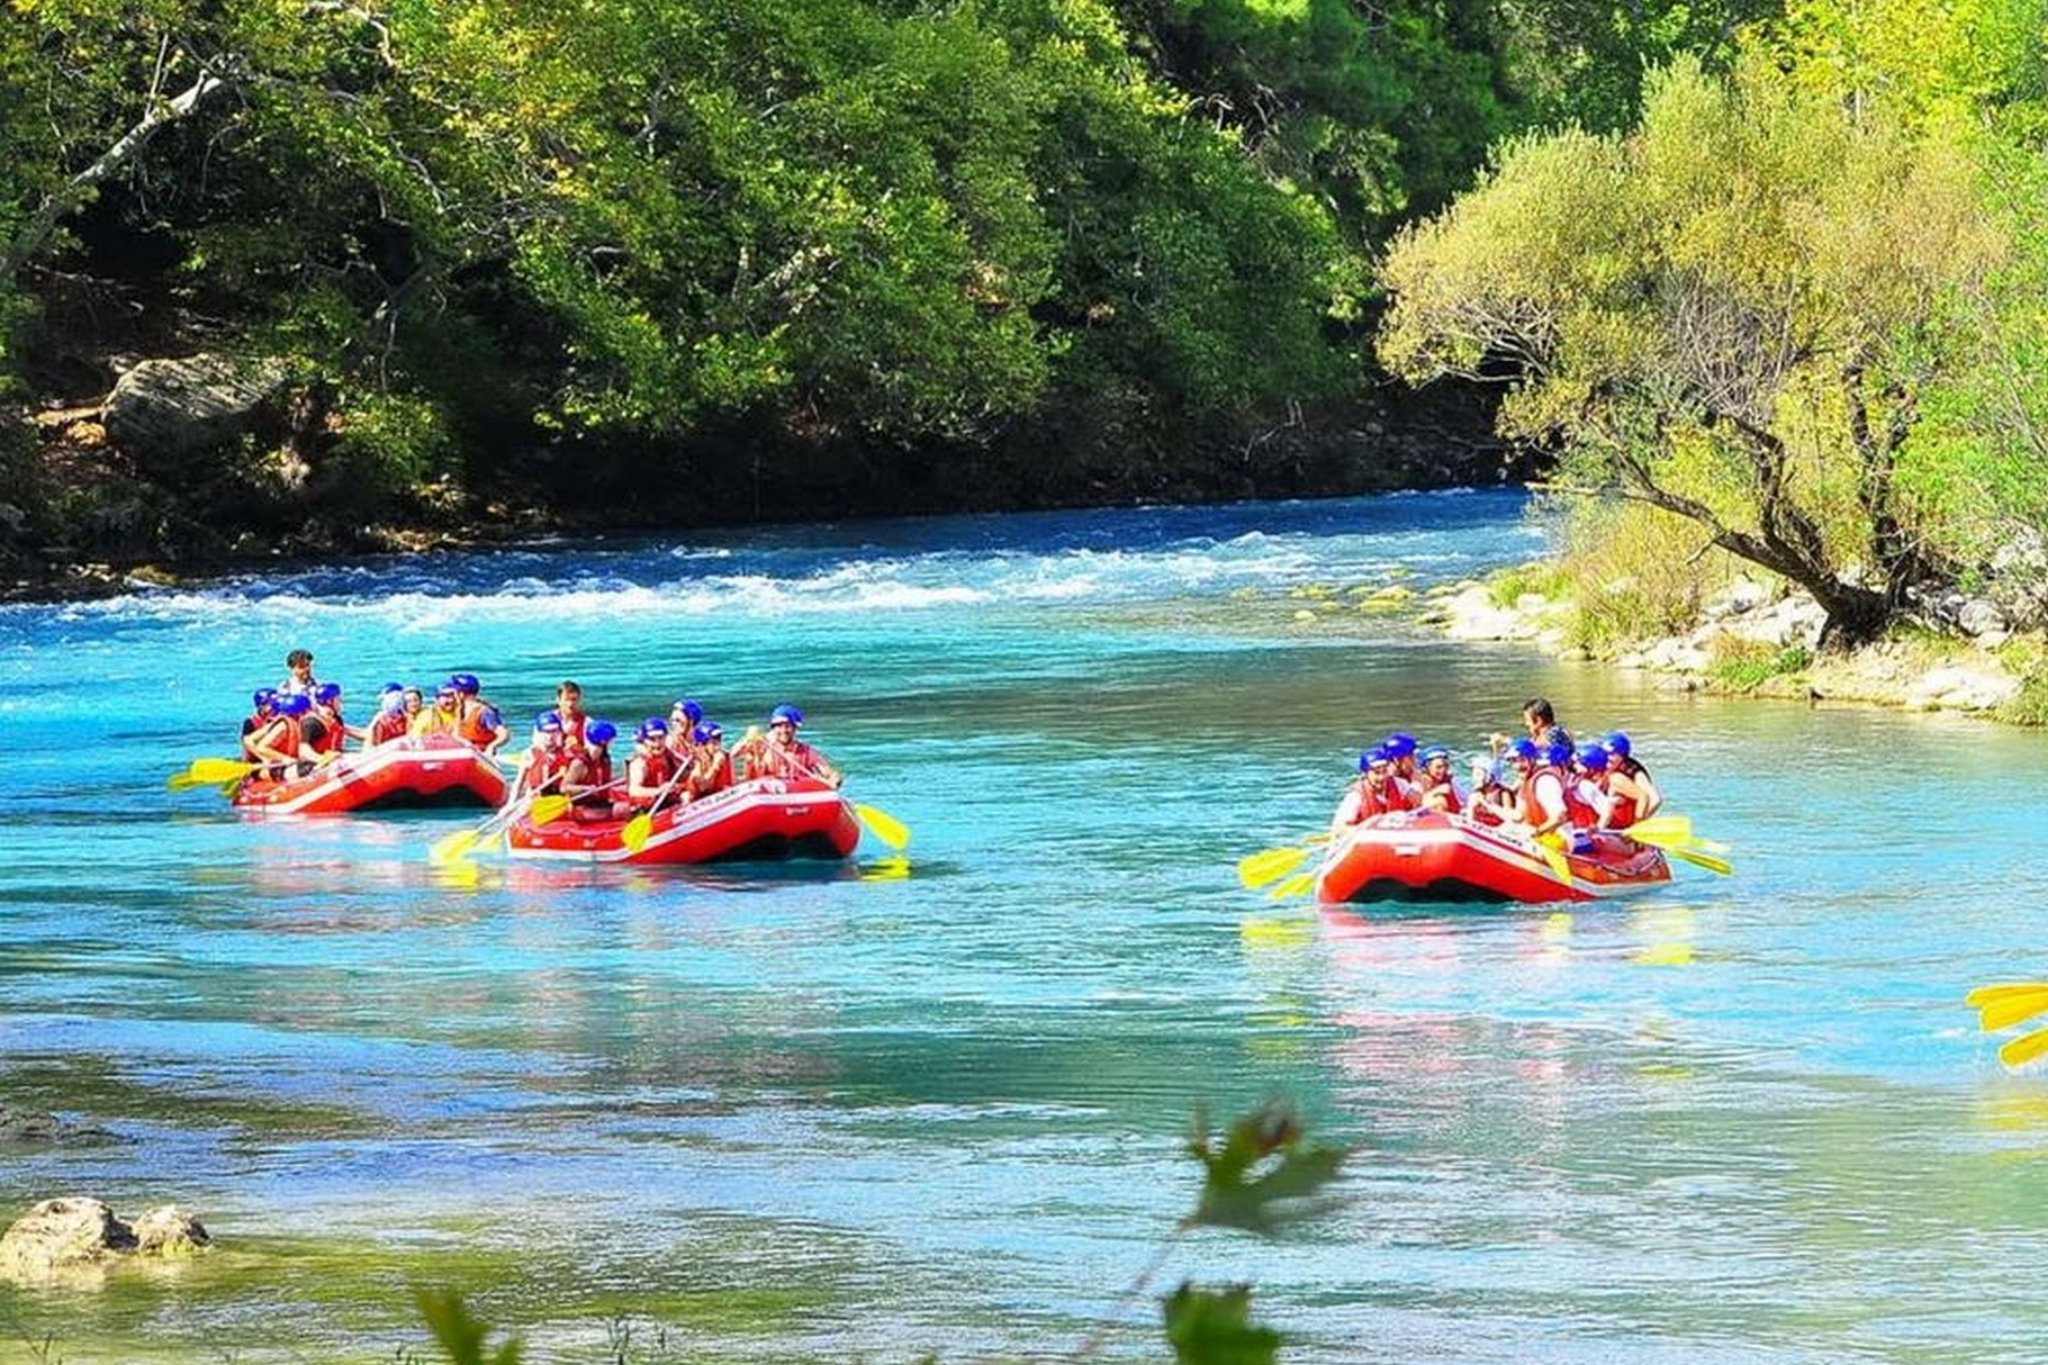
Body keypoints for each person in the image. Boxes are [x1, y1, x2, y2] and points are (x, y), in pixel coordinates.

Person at [733, 704, 841, 786]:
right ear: (773, 728)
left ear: (795, 728)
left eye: (787, 726)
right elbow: (733, 755)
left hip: (796, 799)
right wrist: (746, 739)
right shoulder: (762, 747)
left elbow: (828, 772)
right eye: (779, 726)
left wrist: (834, 781)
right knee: (751, 758)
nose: (783, 730)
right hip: (766, 799)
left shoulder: (806, 752)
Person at [1329, 748, 1409, 836]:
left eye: (1384, 771)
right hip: (1368, 840)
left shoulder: (1400, 785)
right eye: (1376, 773)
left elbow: (1420, 806)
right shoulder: (1356, 796)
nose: (1382, 777)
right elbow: (1338, 828)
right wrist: (1366, 832)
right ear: (1365, 774)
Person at [247, 692, 313, 779]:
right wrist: (283, 758)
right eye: (308, 711)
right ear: (300, 713)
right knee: (305, 769)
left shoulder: (298, 724)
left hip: (286, 765)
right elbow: (260, 747)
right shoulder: (283, 726)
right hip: (274, 767)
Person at [1602, 732, 1663, 824]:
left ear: (1622, 755)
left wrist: (1637, 824)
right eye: (1606, 754)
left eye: (1612, 754)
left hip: (1627, 824)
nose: (1608, 757)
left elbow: (1656, 799)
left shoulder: (1634, 772)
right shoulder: (1605, 766)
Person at [564, 719, 619, 820]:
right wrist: (586, 788)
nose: (613, 743)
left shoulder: (604, 759)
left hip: (600, 804)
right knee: (623, 809)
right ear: (603, 741)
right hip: (583, 808)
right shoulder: (579, 763)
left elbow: (603, 781)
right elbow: (564, 787)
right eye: (611, 740)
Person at [513, 711, 572, 801]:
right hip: (535, 799)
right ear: (540, 733)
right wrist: (510, 804)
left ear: (559, 732)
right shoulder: (529, 754)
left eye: (554, 731)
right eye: (547, 732)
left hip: (559, 799)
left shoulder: (568, 754)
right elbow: (518, 783)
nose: (550, 736)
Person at [625, 717, 680, 810]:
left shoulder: (667, 754)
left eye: (661, 738)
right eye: (652, 739)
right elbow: (634, 790)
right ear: (644, 740)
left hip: (663, 799)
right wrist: (658, 791)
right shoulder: (640, 762)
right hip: (647, 806)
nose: (657, 743)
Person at [451, 673, 509, 755]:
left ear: (461, 694)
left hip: (481, 756)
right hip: (464, 753)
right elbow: (455, 735)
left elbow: (504, 735)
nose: (453, 696)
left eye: (454, 692)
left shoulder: (485, 712)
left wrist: (492, 746)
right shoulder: (460, 709)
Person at [686, 720, 733, 797]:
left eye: (719, 740)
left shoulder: (724, 755)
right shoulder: (696, 764)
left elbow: (732, 784)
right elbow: (703, 787)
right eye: (714, 742)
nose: (718, 746)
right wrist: (715, 767)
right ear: (702, 746)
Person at [1413, 745, 1465, 814]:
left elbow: (1466, 801)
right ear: (1427, 768)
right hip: (1426, 820)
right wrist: (1435, 792)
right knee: (1439, 800)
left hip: (1452, 819)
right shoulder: (1418, 785)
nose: (1443, 770)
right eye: (1438, 767)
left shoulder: (1452, 783)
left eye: (1445, 766)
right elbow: (1418, 805)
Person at [240, 689, 278, 763]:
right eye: (271, 704)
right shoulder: (250, 723)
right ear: (261, 706)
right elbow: (246, 745)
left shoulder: (279, 718)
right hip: (258, 760)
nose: (274, 707)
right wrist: (264, 758)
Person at [554, 681, 590, 746]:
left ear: (579, 700)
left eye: (574, 699)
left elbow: (594, 752)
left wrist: (578, 748)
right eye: (566, 699)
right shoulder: (546, 721)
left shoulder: (587, 723)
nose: (570, 704)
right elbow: (536, 748)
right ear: (558, 700)